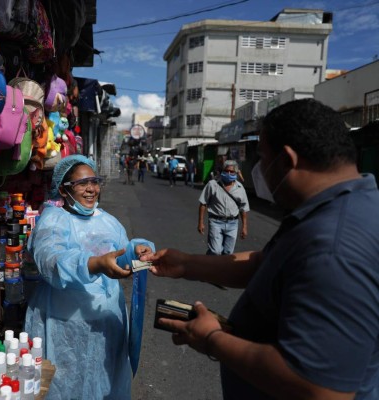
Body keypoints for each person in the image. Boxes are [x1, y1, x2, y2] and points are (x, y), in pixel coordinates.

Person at [142, 98, 379, 399]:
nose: (258, 171)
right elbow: (264, 263)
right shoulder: (339, 206)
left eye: (262, 159)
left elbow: (319, 388)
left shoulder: (334, 246)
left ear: (287, 161)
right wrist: (187, 264)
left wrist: (212, 338)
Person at [24, 154, 154, 399]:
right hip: (66, 328)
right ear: (64, 189)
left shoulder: (109, 221)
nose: (91, 189)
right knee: (66, 385)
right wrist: (94, 264)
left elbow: (121, 253)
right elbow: (50, 260)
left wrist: (137, 250)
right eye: (82, 184)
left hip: (107, 324)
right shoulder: (53, 221)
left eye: (94, 181)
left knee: (103, 383)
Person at [198, 160, 249, 255]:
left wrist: (244, 227)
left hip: (233, 224)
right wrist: (200, 223)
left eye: (232, 172)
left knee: (228, 253)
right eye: (226, 171)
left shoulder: (240, 188)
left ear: (236, 173)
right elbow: (203, 203)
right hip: (215, 222)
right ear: (222, 171)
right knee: (215, 252)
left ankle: (220, 268)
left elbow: (243, 208)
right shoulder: (212, 184)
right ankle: (210, 266)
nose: (229, 173)